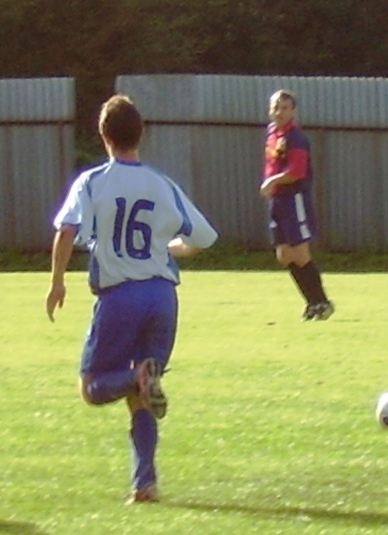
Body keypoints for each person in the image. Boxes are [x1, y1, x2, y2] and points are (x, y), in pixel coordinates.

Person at [45, 94, 218, 503]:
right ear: (141, 134)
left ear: (104, 136)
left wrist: (56, 282)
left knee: (93, 387)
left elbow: (66, 230)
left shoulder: (92, 182)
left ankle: (139, 376)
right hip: (162, 296)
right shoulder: (162, 184)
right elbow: (203, 239)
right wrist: (166, 248)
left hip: (121, 297)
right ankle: (145, 483)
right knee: (140, 398)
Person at [259, 89, 334, 321]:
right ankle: (313, 303)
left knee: (300, 252)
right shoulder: (272, 133)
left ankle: (320, 302)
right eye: (275, 107)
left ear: (293, 110)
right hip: (278, 200)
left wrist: (272, 181)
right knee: (284, 254)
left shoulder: (296, 138)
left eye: (284, 107)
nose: (279, 112)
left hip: (294, 199)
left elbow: (297, 171)